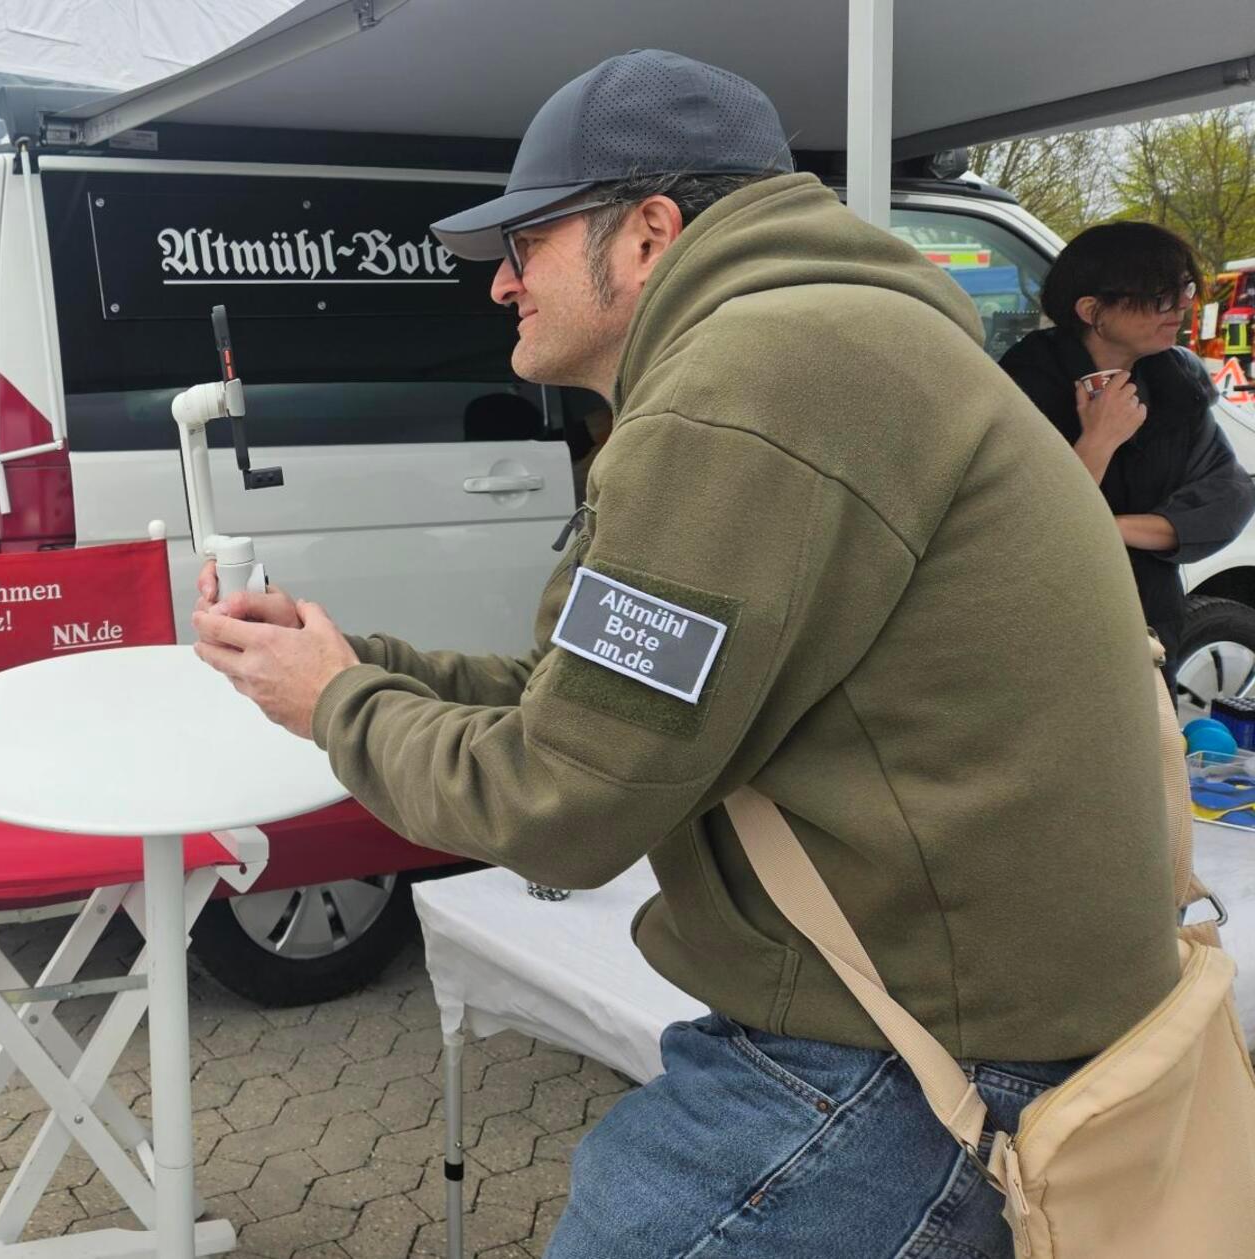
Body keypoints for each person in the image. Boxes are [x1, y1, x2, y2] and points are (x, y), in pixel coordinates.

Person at [191, 50, 1179, 1258]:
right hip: (957, 1019)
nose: (499, 285)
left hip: (908, 1061)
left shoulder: (746, 384)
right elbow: (588, 702)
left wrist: (337, 704)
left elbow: (560, 806)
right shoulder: (824, 342)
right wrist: (353, 661)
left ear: (649, 232)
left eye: (526, 244)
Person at [999, 221, 1254, 661]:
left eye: (1185, 288)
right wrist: (1099, 440)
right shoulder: (1017, 390)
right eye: (1158, 296)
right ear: (1091, 310)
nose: (1180, 308)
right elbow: (1022, 528)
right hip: (1049, 629)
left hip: (1151, 623)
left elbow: (1225, 500)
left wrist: (1107, 528)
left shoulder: (1178, 381)